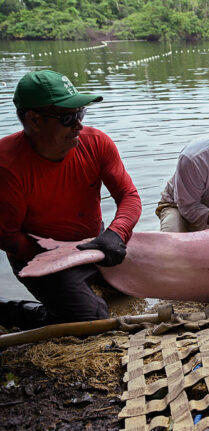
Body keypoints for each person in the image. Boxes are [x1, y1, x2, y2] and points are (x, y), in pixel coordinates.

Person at [0, 70, 141, 330]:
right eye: (68, 118)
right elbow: (9, 238)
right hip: (37, 255)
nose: (79, 125)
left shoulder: (97, 143)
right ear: (34, 120)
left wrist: (116, 233)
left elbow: (128, 196)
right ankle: (11, 311)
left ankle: (82, 285)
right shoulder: (7, 165)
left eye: (81, 114)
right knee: (93, 320)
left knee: (136, 286)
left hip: (93, 242)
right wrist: (61, 258)